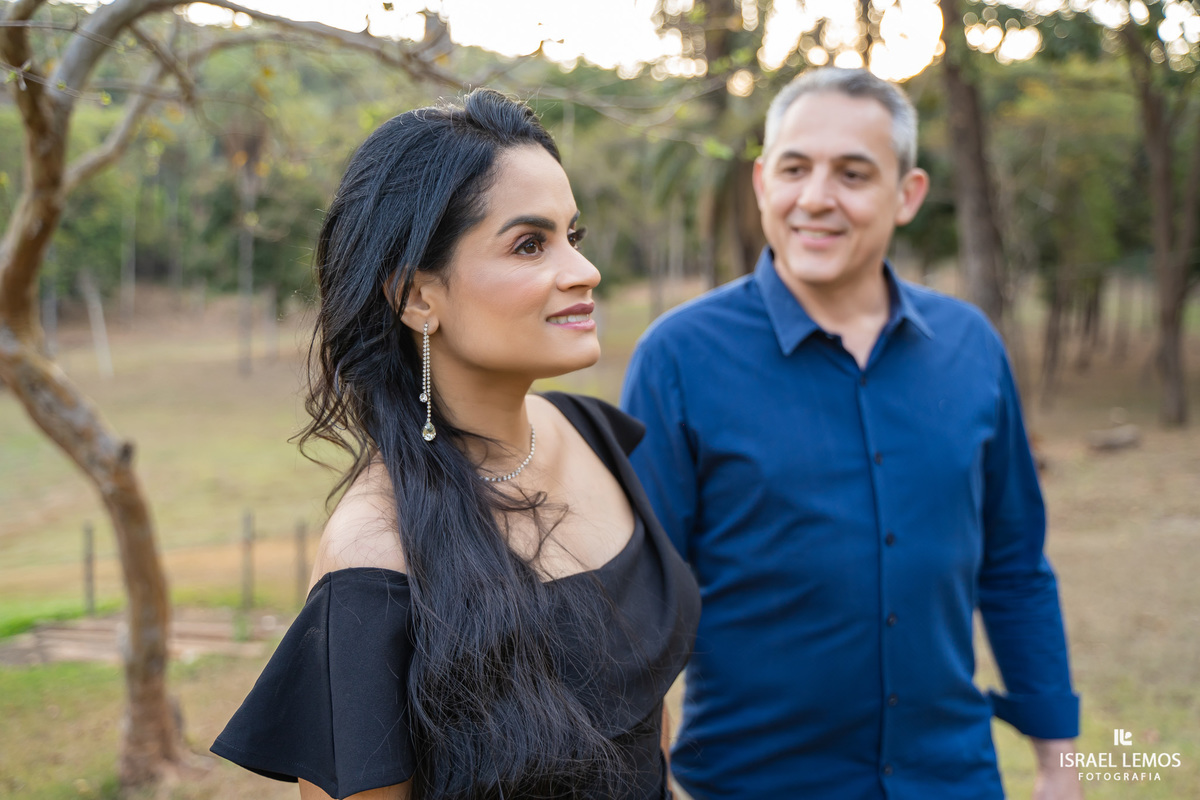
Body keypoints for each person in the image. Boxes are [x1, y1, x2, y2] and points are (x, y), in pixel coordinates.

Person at [212, 89, 700, 800]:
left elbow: (645, 722)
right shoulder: (375, 559)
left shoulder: (593, 435)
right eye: (531, 244)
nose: (583, 271)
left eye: (574, 236)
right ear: (417, 298)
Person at [621, 67, 1081, 800]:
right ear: (763, 181)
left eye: (853, 173)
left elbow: (1016, 567)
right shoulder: (678, 357)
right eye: (796, 169)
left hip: (953, 779)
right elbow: (638, 603)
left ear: (908, 195)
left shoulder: (971, 347)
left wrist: (1060, 760)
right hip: (750, 785)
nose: (816, 198)